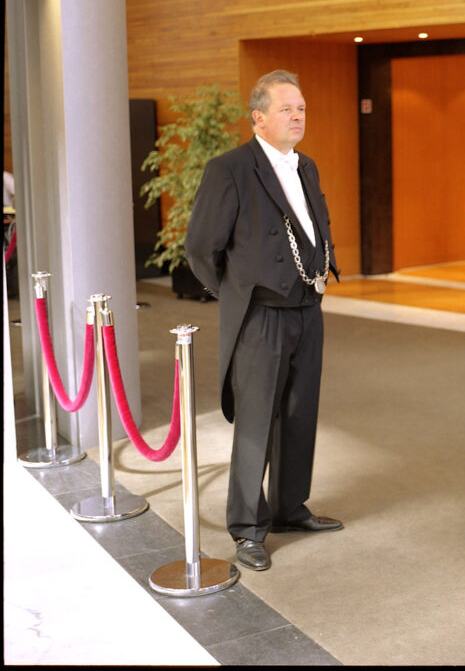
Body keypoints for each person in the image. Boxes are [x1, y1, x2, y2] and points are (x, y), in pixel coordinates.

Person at [185, 69, 342, 571]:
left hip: (308, 307)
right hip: (261, 315)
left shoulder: (306, 166)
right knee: (256, 421)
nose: (297, 117)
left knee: (299, 413)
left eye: (301, 109)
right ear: (258, 118)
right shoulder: (229, 169)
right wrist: (238, 293)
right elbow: (200, 248)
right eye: (286, 109)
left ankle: (289, 509)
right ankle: (248, 528)